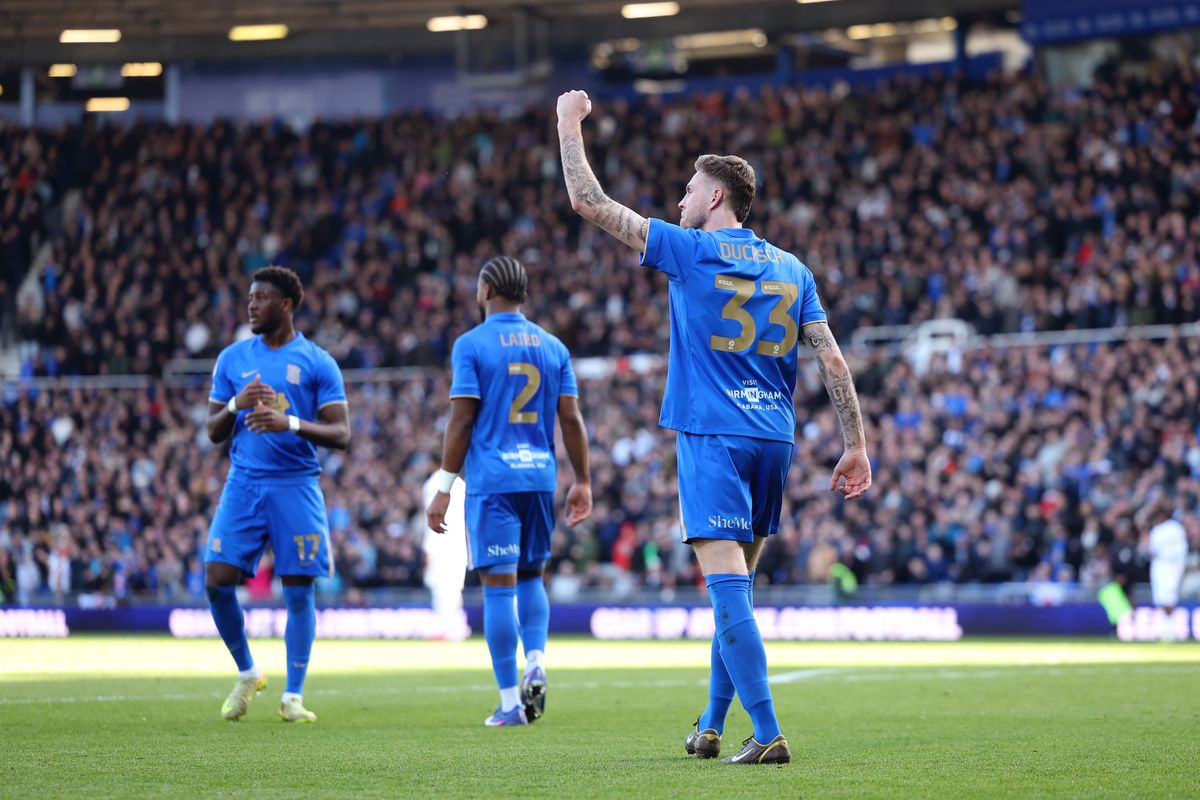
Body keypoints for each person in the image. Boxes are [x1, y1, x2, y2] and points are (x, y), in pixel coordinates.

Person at [555, 90, 872, 765]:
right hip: (773, 439)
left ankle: (767, 732)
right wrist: (855, 444)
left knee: (726, 590)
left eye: (689, 189)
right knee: (736, 591)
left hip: (713, 436)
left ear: (717, 199)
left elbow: (588, 201)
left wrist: (567, 123)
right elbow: (831, 356)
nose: (678, 202)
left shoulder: (688, 250)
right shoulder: (794, 269)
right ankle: (709, 724)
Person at [426, 255, 592, 727]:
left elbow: (461, 419)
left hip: (494, 481)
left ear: (484, 291)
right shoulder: (553, 346)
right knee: (531, 578)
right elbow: (572, 419)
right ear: (523, 295)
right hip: (540, 477)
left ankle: (509, 703)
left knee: (497, 589)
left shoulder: (471, 345)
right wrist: (582, 480)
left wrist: (443, 486)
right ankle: (535, 657)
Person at [204, 266, 351, 723]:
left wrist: (288, 422)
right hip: (244, 482)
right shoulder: (231, 359)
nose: (251, 305)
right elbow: (212, 431)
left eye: (261, 298)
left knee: (299, 589)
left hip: (296, 484)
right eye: (250, 298)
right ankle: (248, 671)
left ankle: (293, 697)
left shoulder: (317, 362)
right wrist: (235, 404)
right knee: (216, 580)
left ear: (285, 305)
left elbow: (341, 433)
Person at [421, 469, 470, 641]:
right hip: (459, 545)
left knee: (443, 591)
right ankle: (455, 628)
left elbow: (432, 520)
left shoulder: (433, 483)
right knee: (453, 592)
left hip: (441, 545)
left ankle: (450, 630)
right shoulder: (461, 484)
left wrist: (428, 550)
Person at [1145, 510, 1191, 640]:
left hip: (1168, 567)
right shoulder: (1174, 529)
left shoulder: (1169, 529)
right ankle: (1166, 629)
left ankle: (1170, 630)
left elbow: (1152, 551)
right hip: (1166, 567)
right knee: (1163, 599)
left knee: (1168, 599)